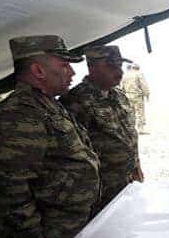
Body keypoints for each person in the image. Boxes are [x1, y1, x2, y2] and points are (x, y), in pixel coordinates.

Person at [0, 35, 100, 238]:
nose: (72, 72)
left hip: (63, 229)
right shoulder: (19, 113)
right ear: (38, 70)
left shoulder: (47, 104)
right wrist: (30, 236)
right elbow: (8, 183)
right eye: (64, 65)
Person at [61, 45, 143, 214]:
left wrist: (136, 165)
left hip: (126, 182)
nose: (119, 72)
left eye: (119, 66)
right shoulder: (75, 100)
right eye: (111, 66)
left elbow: (129, 135)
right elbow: (72, 152)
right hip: (100, 191)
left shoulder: (119, 96)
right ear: (92, 67)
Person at [121, 63, 150, 134]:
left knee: (130, 112)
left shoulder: (125, 75)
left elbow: (121, 86)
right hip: (137, 96)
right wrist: (147, 94)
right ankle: (140, 129)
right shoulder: (139, 74)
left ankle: (131, 129)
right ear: (138, 68)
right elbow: (144, 85)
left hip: (127, 96)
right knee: (140, 112)